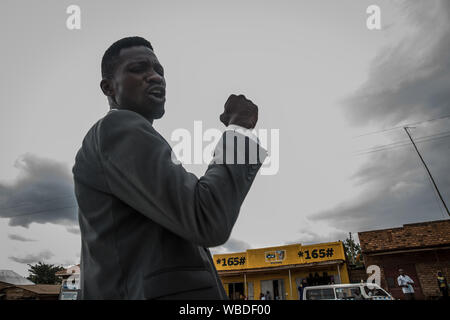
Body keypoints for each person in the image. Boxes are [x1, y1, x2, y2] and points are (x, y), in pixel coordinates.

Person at [72, 36, 267, 299]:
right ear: (108, 87)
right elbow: (206, 217)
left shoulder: (129, 138)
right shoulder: (117, 128)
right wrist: (239, 128)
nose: (155, 77)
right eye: (139, 69)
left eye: (159, 70)